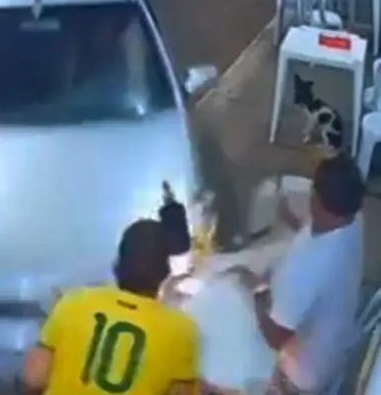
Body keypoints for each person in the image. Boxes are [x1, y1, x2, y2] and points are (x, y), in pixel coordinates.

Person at [228, 153, 365, 395]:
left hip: (302, 375)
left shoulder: (309, 270)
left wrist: (257, 290)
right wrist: (291, 219)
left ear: (315, 199)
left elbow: (276, 337)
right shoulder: (352, 216)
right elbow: (317, 231)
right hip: (336, 339)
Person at [22, 219, 200, 395]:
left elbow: (34, 378)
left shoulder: (73, 302)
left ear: (118, 263)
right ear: (164, 273)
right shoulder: (180, 329)